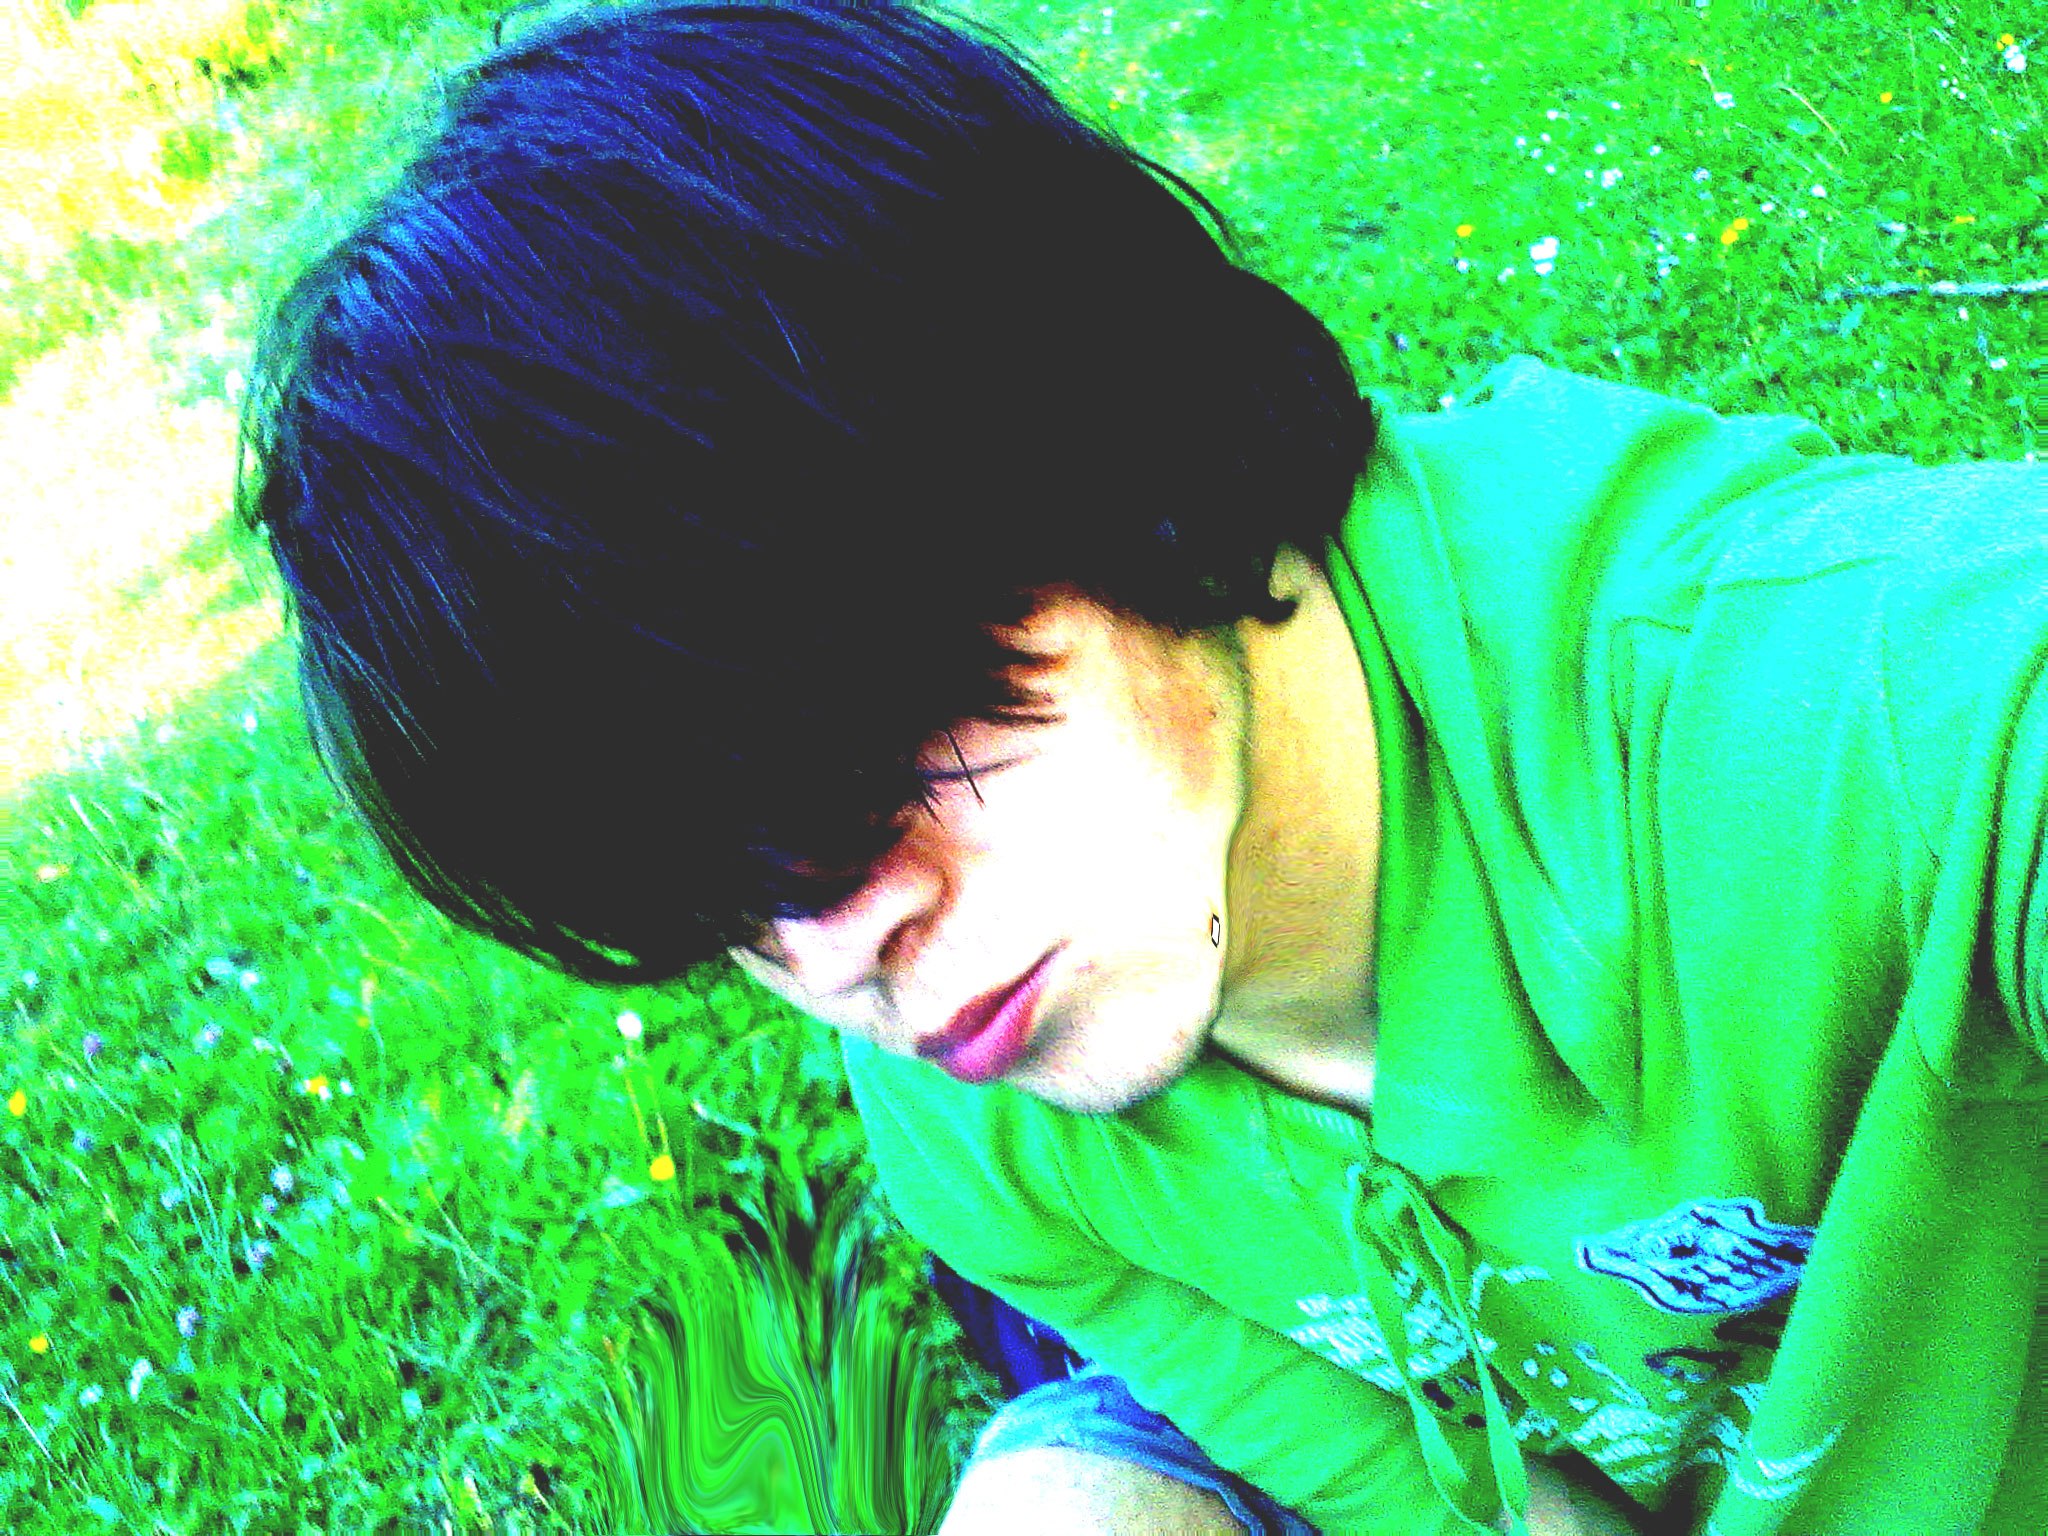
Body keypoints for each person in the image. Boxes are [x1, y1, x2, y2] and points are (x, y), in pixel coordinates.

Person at [233, 1, 2047, 1532]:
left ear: (1086, 425)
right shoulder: (975, 1116)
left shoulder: (1880, 710)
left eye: (839, 747)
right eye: (719, 892)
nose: (837, 953)